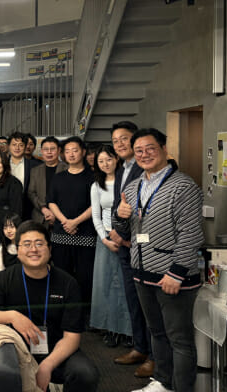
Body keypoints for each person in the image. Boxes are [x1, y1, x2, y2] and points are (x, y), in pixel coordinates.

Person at [113, 128, 204, 392]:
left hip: (172, 276)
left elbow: (191, 233)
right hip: (142, 273)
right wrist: (119, 215)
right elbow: (124, 231)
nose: (144, 154)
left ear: (164, 149)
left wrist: (177, 273)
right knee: (157, 333)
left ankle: (182, 388)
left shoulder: (183, 186)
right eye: (139, 151)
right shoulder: (133, 187)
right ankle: (163, 383)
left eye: (150, 148)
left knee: (180, 339)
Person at [0, 221, 99, 392]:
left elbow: (72, 337)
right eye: (27, 244)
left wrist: (47, 365)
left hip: (57, 350)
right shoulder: (4, 279)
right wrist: (12, 316)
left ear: (50, 249)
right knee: (3, 371)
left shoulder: (68, 283)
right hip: (18, 351)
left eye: (39, 244)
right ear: (18, 250)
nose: (33, 249)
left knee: (85, 374)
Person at [109, 121, 153, 377]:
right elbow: (119, 205)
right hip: (125, 245)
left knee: (149, 305)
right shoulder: (122, 168)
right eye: (115, 141)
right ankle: (140, 348)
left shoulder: (145, 168)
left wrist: (129, 238)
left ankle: (155, 357)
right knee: (133, 301)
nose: (119, 144)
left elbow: (148, 211)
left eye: (124, 139)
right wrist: (117, 231)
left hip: (142, 246)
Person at [47, 136, 96, 320]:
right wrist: (65, 221)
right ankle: (63, 312)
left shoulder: (93, 177)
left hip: (85, 234)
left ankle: (83, 315)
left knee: (85, 276)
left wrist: (76, 222)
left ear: (83, 152)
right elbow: (51, 202)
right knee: (61, 275)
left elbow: (96, 204)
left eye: (75, 150)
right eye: (67, 151)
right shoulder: (58, 177)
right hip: (61, 234)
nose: (71, 154)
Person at [89, 145, 132, 347]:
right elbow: (96, 216)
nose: (105, 164)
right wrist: (105, 239)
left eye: (108, 159)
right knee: (105, 285)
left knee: (124, 286)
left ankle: (129, 330)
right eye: (101, 161)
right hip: (105, 237)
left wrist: (121, 237)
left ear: (116, 159)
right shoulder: (97, 185)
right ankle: (111, 328)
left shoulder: (127, 181)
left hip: (126, 238)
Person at [28, 136, 67, 227]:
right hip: (40, 217)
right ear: (41, 151)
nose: (49, 152)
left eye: (52, 149)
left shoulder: (67, 169)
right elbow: (31, 193)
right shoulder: (35, 170)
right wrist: (43, 209)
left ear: (59, 150)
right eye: (46, 149)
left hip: (63, 218)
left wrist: (55, 213)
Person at [8, 132, 36, 220]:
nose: (17, 148)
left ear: (25, 147)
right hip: (5, 210)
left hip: (27, 211)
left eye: (21, 145)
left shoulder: (34, 166)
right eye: (14, 145)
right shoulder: (1, 164)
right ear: (9, 146)